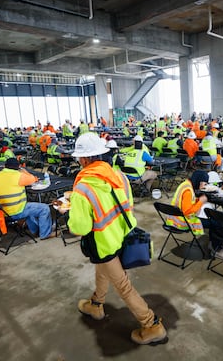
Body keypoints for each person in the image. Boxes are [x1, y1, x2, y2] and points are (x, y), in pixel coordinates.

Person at [67, 133, 167, 345]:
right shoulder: (118, 175)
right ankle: (96, 305)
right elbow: (128, 203)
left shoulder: (82, 188)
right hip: (122, 235)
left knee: (123, 286)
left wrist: (69, 214)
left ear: (84, 159)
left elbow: (80, 228)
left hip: (104, 244)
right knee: (101, 271)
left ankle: (152, 325)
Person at [168, 170, 223, 260]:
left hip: (174, 218)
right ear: (198, 180)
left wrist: (198, 201)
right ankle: (216, 249)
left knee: (213, 220)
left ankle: (216, 243)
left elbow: (187, 205)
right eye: (204, 183)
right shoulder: (188, 190)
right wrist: (201, 202)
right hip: (182, 222)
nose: (204, 186)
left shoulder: (186, 184)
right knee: (216, 222)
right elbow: (187, 212)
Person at [0, 158, 54, 239]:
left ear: (5, 166)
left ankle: (34, 231)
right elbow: (33, 179)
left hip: (1, 211)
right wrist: (23, 171)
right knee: (44, 208)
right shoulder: (18, 176)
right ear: (18, 167)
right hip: (15, 211)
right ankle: (45, 234)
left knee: (29, 208)